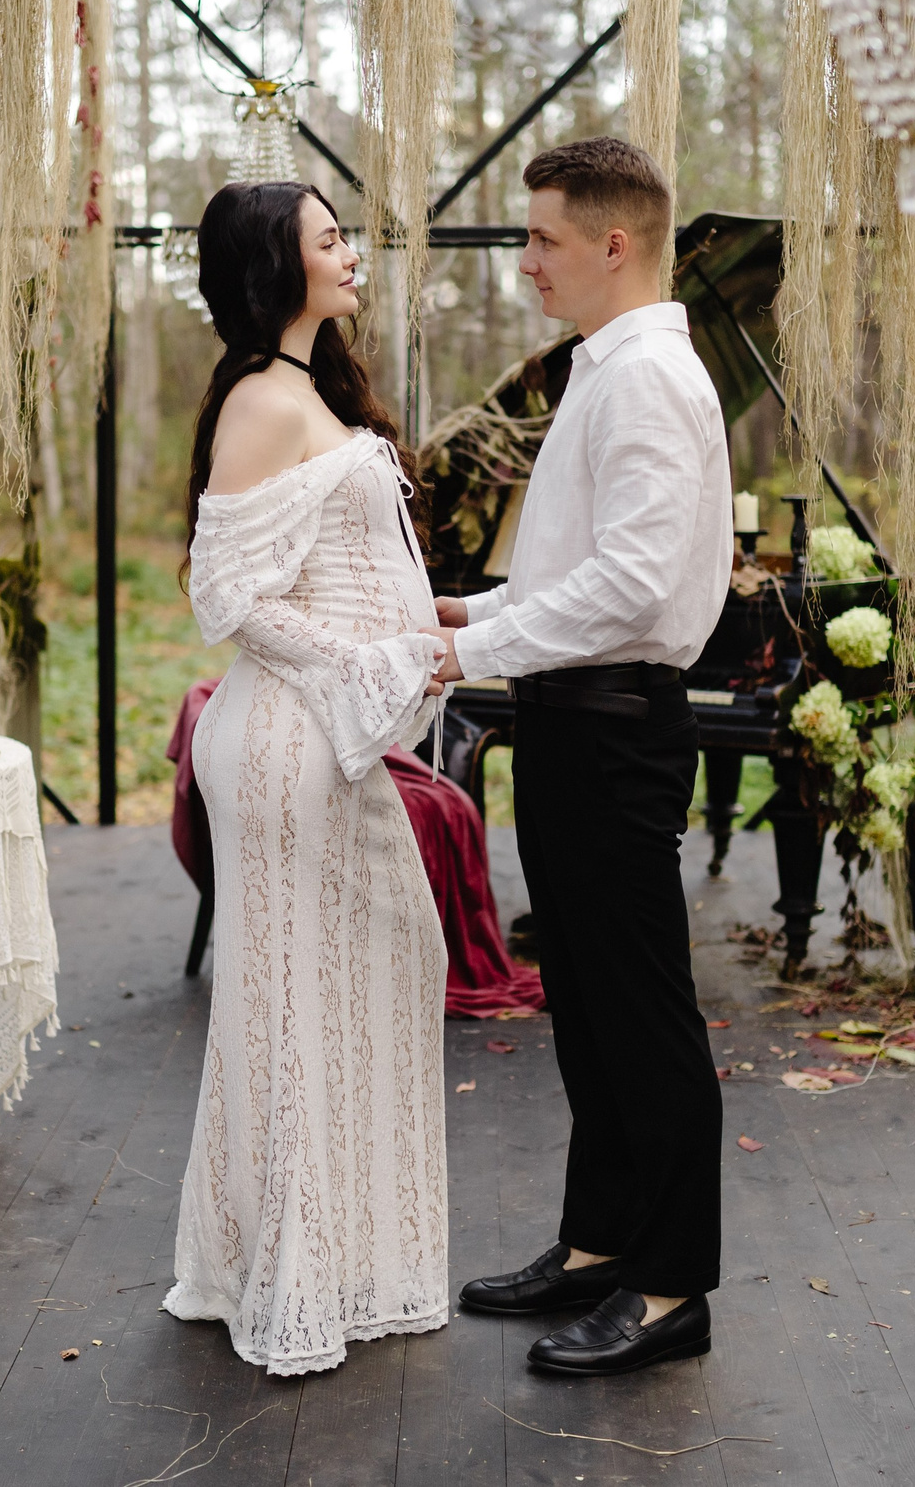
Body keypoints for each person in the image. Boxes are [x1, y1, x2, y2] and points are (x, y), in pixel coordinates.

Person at [426, 137, 732, 1377]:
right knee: (590, 1014)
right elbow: (587, 563)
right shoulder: (606, 369)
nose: (527, 260)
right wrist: (480, 611)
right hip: (569, 715)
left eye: (544, 236)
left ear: (615, 243)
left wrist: (484, 637)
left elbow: (639, 584)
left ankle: (668, 1290)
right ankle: (602, 1242)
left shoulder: (650, 376)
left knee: (641, 1016)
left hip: (612, 726)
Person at [163, 180, 454, 1376]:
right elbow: (223, 596)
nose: (350, 253)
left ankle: (332, 1257)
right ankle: (285, 1275)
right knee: (290, 999)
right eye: (327, 239)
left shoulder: (311, 392)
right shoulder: (260, 399)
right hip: (284, 739)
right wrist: (374, 656)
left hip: (321, 733)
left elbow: (323, 564)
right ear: (275, 268)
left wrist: (413, 621)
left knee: (375, 968)